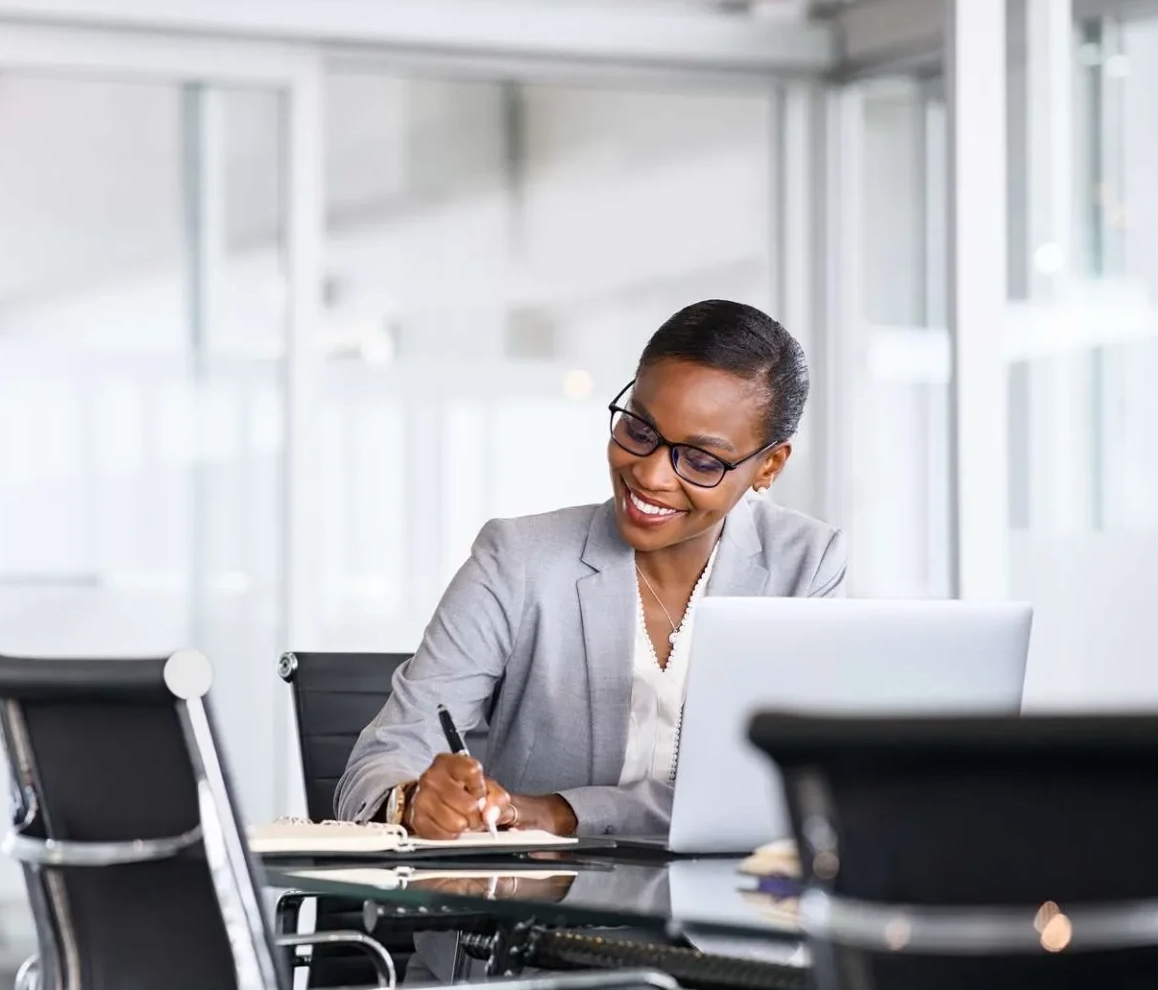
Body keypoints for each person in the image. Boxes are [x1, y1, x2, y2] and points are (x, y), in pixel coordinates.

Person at [335, 300, 846, 841]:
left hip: (731, 915)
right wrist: (411, 800)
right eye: (640, 430)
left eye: (700, 460)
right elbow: (383, 758)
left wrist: (559, 812)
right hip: (535, 913)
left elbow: (783, 794)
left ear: (769, 466)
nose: (649, 475)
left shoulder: (805, 566)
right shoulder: (520, 559)